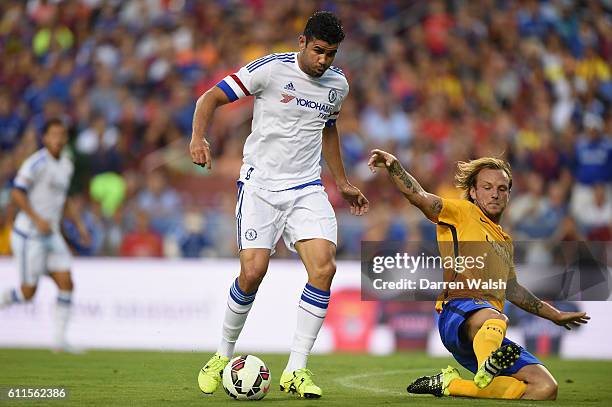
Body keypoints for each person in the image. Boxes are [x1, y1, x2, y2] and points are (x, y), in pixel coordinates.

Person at [190, 11, 368, 399]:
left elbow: (329, 127)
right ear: (302, 42)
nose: (324, 61)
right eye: (318, 51)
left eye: (331, 54)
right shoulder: (270, 70)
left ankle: (297, 369)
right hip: (260, 188)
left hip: (306, 188)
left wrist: (342, 182)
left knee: (324, 268)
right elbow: (211, 97)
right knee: (253, 272)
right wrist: (198, 138)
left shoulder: (337, 85)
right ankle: (222, 355)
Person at [367, 149, 589, 400]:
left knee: (545, 389)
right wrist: (395, 167)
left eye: (502, 188)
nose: (495, 193)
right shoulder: (462, 212)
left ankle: (452, 384)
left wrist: (555, 314)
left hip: (487, 333)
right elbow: (418, 196)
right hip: (458, 311)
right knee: (498, 319)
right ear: (473, 192)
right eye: (487, 187)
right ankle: (488, 364)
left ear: (508, 194)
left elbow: (512, 289)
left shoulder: (504, 240)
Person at [0, 118, 90, 352]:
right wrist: (36, 218)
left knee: (67, 282)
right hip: (30, 234)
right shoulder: (36, 163)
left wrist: (79, 225)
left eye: (62, 135)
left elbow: (64, 199)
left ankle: (60, 342)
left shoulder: (66, 164)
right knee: (27, 293)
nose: (59, 139)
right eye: (54, 135)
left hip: (50, 234)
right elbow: (17, 194)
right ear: (45, 138)